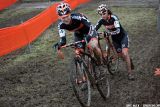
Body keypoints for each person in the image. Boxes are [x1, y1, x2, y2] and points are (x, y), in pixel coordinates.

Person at [95, 4, 135, 80]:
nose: (103, 16)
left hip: (123, 37)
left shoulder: (114, 18)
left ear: (108, 12)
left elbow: (118, 30)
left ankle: (130, 74)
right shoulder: (101, 20)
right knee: (121, 56)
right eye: (101, 14)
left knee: (125, 53)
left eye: (104, 13)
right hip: (115, 40)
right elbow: (94, 29)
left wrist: (108, 33)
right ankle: (129, 60)